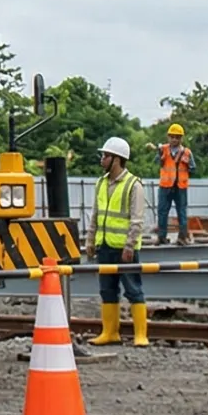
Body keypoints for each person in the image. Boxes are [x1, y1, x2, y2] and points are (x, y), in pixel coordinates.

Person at [87, 136, 149, 347]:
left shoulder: (134, 185)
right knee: (107, 290)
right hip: (105, 246)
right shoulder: (101, 183)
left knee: (133, 289)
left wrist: (129, 245)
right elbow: (95, 215)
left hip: (124, 249)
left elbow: (137, 219)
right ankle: (110, 332)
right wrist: (90, 240)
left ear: (117, 159)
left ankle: (141, 335)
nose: (102, 160)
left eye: (105, 156)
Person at [154, 122, 192, 244]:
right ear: (168, 137)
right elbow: (157, 163)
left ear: (181, 138)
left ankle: (182, 237)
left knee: (182, 212)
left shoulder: (186, 152)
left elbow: (193, 168)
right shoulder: (163, 150)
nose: (174, 139)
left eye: (177, 137)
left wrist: (187, 164)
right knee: (162, 211)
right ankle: (162, 237)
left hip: (180, 186)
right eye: (172, 136)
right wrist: (159, 155)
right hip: (165, 186)